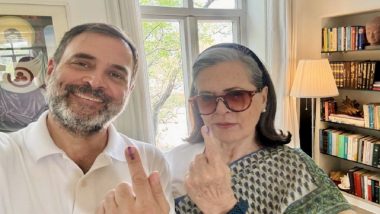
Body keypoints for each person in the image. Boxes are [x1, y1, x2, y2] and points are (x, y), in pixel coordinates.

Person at [0, 23, 172, 214]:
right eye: (82, 64)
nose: (95, 82)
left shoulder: (151, 162)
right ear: (50, 71)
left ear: (129, 91)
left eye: (115, 74)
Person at [166, 43, 353, 213]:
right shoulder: (173, 162)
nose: (221, 110)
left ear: (263, 98)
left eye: (237, 95)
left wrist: (224, 208)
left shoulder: (294, 168)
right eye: (207, 98)